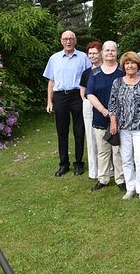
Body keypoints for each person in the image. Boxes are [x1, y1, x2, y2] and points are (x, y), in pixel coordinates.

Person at [108, 52, 140, 204]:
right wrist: (113, 123)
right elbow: (112, 104)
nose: (130, 66)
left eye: (133, 63)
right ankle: (131, 188)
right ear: (123, 66)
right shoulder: (117, 83)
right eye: (127, 63)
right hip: (123, 128)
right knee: (127, 159)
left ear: (138, 65)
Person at [43, 30, 91, 177]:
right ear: (61, 41)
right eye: (65, 39)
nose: (68, 42)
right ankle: (63, 164)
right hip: (60, 96)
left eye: (71, 39)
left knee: (79, 130)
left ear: (75, 41)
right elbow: (51, 82)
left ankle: (78, 164)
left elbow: (89, 77)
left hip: (77, 95)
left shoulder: (83, 57)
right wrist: (49, 101)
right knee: (62, 131)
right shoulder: (54, 58)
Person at [86, 41, 126, 191]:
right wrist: (104, 110)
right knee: (102, 150)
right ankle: (103, 179)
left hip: (120, 119)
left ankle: (120, 179)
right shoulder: (95, 74)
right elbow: (89, 93)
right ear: (102, 53)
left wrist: (115, 114)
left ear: (117, 53)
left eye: (113, 50)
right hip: (100, 117)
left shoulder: (122, 72)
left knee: (117, 150)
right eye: (107, 50)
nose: (110, 53)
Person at [80, 41, 103, 180]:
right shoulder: (86, 73)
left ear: (101, 53)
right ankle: (94, 171)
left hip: (104, 106)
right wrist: (88, 103)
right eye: (90, 53)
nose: (92, 56)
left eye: (95, 53)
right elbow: (82, 92)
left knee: (106, 139)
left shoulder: (107, 69)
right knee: (91, 138)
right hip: (89, 106)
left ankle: (109, 169)